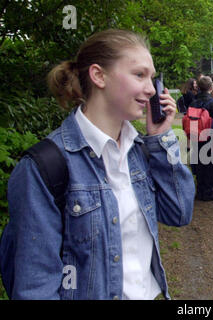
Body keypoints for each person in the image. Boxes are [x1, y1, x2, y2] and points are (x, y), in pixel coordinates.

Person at [0, 29, 195, 300]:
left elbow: (180, 212)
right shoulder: (45, 167)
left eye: (152, 78)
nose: (152, 89)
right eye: (139, 75)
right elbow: (35, 287)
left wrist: (162, 138)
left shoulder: (140, 152)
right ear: (98, 75)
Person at [192, 76, 213, 201]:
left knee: (199, 163)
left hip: (196, 136)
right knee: (209, 164)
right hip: (209, 136)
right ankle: (208, 191)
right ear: (211, 87)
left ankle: (200, 190)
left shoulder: (193, 101)